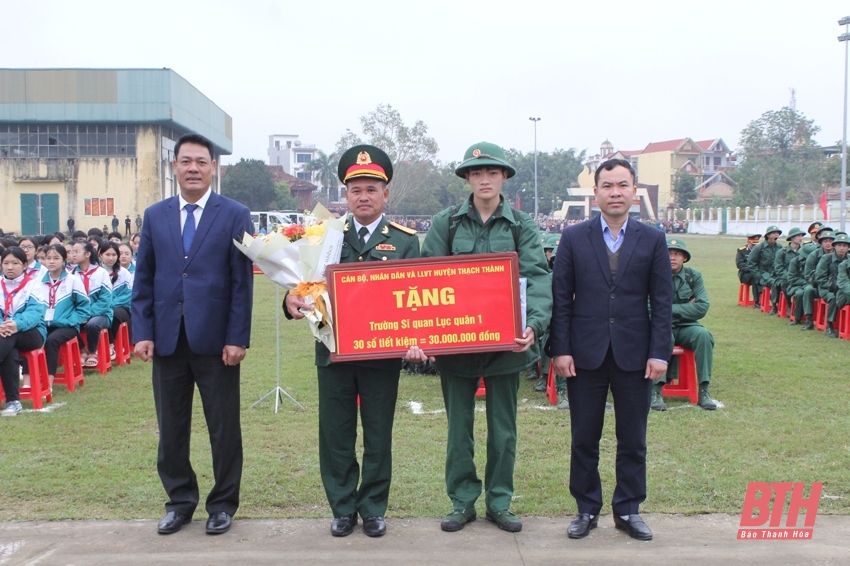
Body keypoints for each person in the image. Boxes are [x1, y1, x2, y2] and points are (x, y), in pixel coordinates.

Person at [409, 141, 551, 534]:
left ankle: (500, 502)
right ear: (467, 179)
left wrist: (534, 325)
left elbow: (539, 277)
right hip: (458, 347)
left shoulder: (521, 225)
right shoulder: (447, 223)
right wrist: (428, 334)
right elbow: (426, 278)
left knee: (503, 431)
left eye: (491, 172)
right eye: (476, 173)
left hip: (507, 346)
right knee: (459, 431)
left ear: (504, 177)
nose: (484, 179)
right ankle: (461, 502)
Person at [284, 145, 420, 538]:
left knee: (378, 434)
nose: (363, 196)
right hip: (333, 351)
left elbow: (415, 296)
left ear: (385, 195)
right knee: (336, 434)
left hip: (382, 355)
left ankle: (374, 508)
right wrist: (290, 299)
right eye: (356, 189)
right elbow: (301, 283)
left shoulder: (406, 242)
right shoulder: (322, 237)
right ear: (346, 194)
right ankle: (343, 508)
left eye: (371, 189)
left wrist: (416, 338)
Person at [131, 133, 253, 536]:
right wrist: (142, 331)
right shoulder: (155, 215)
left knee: (223, 426)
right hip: (167, 339)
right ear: (175, 167)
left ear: (213, 167)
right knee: (172, 428)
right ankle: (179, 501)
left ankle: (222, 504)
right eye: (186, 161)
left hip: (217, 342)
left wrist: (237, 337)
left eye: (202, 162)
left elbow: (241, 283)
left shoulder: (234, 213)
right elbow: (144, 278)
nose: (194, 168)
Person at [550, 158, 672, 542]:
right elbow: (561, 299)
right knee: (584, 436)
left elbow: (662, 302)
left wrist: (659, 352)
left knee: (633, 438)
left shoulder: (652, 238)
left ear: (634, 192)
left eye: (622, 185)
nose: (615, 192)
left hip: (635, 355)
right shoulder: (573, 237)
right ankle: (586, 509)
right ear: (597, 192)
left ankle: (629, 509)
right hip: (584, 354)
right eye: (607, 185)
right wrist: (561, 349)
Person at [651, 239, 716, 411]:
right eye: (669, 253)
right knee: (663, 337)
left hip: (686, 326)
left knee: (704, 336)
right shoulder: (651, 276)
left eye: (677, 254)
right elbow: (647, 307)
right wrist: (687, 306)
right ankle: (656, 392)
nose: (673, 257)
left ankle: (704, 390)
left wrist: (668, 309)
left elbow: (702, 307)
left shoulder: (693, 276)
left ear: (684, 258)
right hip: (660, 326)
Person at [0, 247, 47, 416]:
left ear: (25, 265)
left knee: (8, 337)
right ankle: (13, 401)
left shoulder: (35, 284)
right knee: (9, 347)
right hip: (4, 334)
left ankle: (13, 401)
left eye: (15, 263)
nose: (9, 267)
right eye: (5, 263)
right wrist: (2, 326)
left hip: (32, 332)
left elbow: (35, 314)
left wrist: (16, 324)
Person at [37, 244, 90, 389]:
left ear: (64, 260)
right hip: (44, 325)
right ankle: (30, 380)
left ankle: (48, 383)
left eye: (56, 258)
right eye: (48, 258)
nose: (51, 261)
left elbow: (85, 308)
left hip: (67, 326)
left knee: (52, 341)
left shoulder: (73, 280)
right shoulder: (37, 282)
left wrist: (71, 321)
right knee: (31, 338)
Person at [71, 241, 113, 368]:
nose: (73, 254)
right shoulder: (71, 274)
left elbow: (105, 300)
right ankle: (83, 350)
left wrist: (87, 314)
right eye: (72, 252)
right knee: (66, 324)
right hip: (80, 314)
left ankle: (93, 352)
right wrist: (78, 315)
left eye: (76, 251)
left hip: (102, 314)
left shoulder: (101, 273)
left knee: (93, 324)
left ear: (87, 254)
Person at [100, 242, 132, 358]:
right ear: (100, 255)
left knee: (114, 313)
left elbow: (127, 295)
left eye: (114, 255)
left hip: (121, 308)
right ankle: (89, 350)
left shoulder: (124, 273)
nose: (111, 258)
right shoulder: (96, 272)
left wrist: (108, 305)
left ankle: (110, 345)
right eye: (107, 254)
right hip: (100, 307)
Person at [815, 233, 850, 338]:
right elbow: (820, 278)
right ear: (834, 246)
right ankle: (829, 325)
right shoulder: (826, 258)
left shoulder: (848, 260)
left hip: (843, 289)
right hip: (827, 289)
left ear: (848, 247)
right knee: (833, 298)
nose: (842, 248)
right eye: (839, 245)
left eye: (845, 246)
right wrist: (832, 287)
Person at [800, 228, 835, 331]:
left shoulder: (840, 254)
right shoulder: (814, 255)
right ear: (821, 243)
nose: (828, 243)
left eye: (831, 241)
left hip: (834, 284)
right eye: (825, 241)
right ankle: (809, 320)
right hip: (815, 283)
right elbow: (807, 275)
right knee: (808, 290)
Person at [747, 226, 783, 313]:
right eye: (774, 233)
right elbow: (751, 263)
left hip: (776, 273)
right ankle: (774, 306)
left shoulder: (780, 247)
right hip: (764, 274)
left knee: (783, 283)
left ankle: (785, 306)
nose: (776, 234)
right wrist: (758, 276)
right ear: (768, 235)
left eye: (778, 233)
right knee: (774, 283)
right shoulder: (760, 247)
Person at [775, 228, 804, 317]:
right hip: (785, 278)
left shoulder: (804, 252)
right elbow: (778, 268)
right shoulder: (782, 252)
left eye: (801, 236)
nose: (800, 238)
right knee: (784, 283)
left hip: (799, 278)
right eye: (798, 236)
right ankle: (789, 304)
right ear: (791, 238)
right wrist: (789, 277)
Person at [736, 234, 760, 300]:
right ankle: (757, 301)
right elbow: (740, 265)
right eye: (753, 244)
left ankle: (769, 298)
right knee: (754, 276)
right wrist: (753, 268)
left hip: (758, 273)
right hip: (745, 274)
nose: (755, 246)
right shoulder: (742, 250)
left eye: (756, 244)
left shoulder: (760, 250)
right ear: (748, 241)